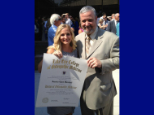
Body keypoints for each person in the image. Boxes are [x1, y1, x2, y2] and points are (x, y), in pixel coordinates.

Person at [75, 6, 119, 115]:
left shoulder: (111, 38)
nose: (87, 23)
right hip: (83, 93)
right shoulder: (77, 39)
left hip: (103, 93)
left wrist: (102, 63)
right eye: (83, 21)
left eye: (90, 20)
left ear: (96, 19)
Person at [38, 24, 77, 115]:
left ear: (71, 34)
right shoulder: (53, 49)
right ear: (58, 36)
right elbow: (40, 69)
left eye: (68, 34)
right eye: (62, 35)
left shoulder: (75, 50)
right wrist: (51, 57)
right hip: (56, 92)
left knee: (69, 113)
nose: (65, 37)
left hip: (69, 91)